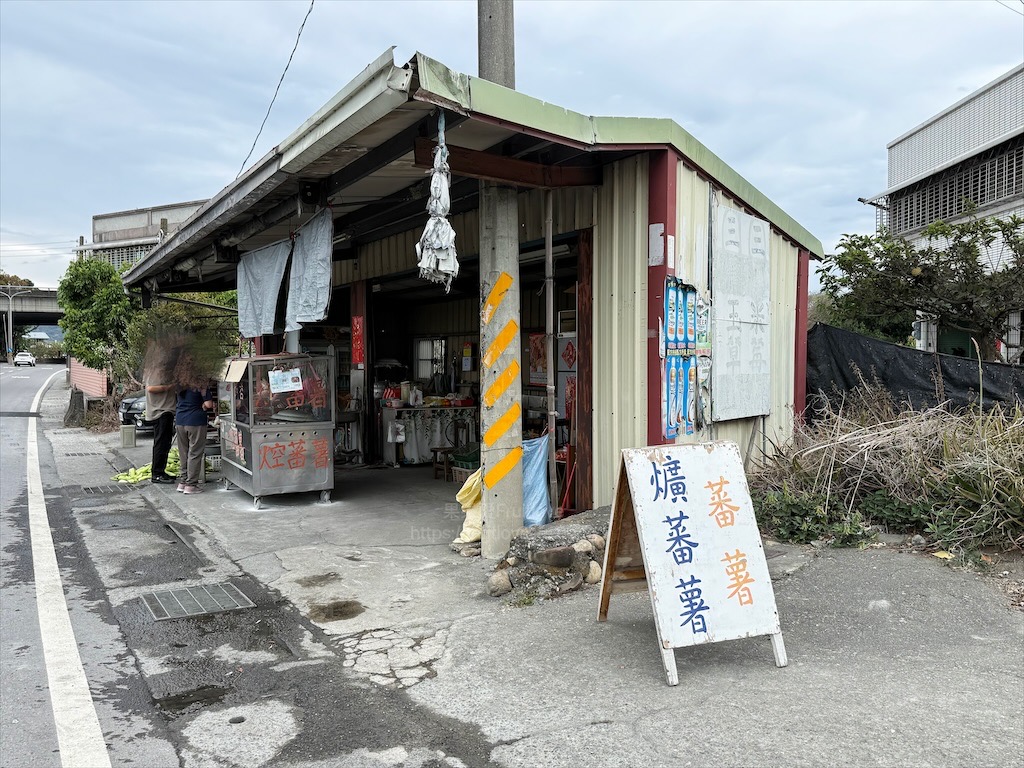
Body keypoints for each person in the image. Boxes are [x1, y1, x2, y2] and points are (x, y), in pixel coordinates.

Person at [175, 383, 215, 494]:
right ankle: (191, 485)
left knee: (184, 453)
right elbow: (209, 404)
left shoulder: (180, 384)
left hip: (180, 420)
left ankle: (183, 482)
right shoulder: (200, 385)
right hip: (195, 421)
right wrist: (204, 405)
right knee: (195, 453)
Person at [145, 373, 177, 485]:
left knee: (165, 443)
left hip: (165, 411)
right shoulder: (156, 372)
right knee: (161, 443)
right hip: (160, 412)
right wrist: (168, 387)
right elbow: (150, 388)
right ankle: (157, 474)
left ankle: (161, 471)